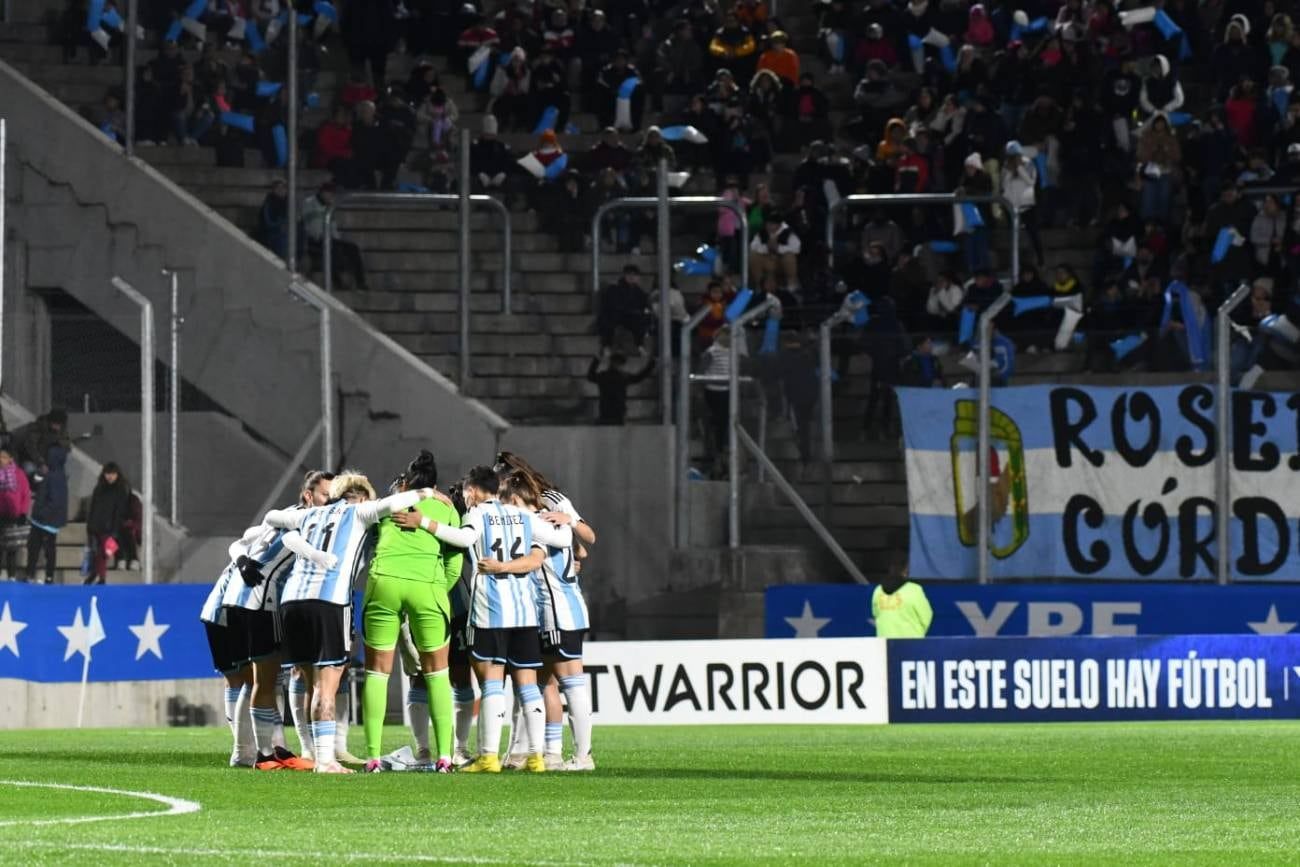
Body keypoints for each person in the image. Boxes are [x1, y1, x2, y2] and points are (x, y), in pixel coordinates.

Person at [263, 471, 445, 773]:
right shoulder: (360, 511)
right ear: (361, 496)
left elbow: (272, 518)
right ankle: (325, 760)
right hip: (328, 602)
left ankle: (313, 752)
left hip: (292, 603)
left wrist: (307, 543)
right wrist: (426, 493)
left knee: (307, 681)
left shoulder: (311, 514)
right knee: (327, 685)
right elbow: (396, 502)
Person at [420, 465, 574, 773]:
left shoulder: (476, 515)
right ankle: (536, 757)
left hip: (490, 612)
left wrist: (424, 521)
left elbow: (463, 539)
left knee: (491, 684)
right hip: (525, 613)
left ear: (473, 491)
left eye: (466, 493)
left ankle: (488, 757)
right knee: (528, 686)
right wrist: (568, 519)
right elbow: (564, 539)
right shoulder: (524, 516)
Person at [198, 469, 334, 769]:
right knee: (257, 678)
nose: (331, 501)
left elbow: (242, 541)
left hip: (239, 600)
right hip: (253, 602)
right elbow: (292, 543)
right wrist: (319, 557)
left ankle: (264, 749)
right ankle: (256, 752)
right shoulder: (300, 522)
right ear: (309, 496)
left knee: (258, 678)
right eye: (326, 494)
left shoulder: (283, 515)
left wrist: (243, 559)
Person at [490, 452, 597, 770]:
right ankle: (541, 753)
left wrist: (571, 522)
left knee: (563, 683)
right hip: (561, 608)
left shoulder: (538, 518)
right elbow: (580, 551)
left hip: (554, 610)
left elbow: (578, 544)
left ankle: (580, 755)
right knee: (540, 682)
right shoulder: (545, 520)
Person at [359, 451, 463, 774]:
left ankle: (374, 757)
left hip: (384, 582)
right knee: (436, 673)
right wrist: (432, 591)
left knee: (377, 671)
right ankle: (445, 757)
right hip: (427, 587)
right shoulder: (446, 508)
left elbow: (368, 537)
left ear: (405, 481)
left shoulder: (389, 505)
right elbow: (455, 564)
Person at [302, 182, 368, 290]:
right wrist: (322, 236)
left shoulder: (330, 205)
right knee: (332, 249)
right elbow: (311, 225)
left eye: (332, 194)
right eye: (328, 193)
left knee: (353, 248)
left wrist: (336, 238)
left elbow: (333, 226)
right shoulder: (310, 203)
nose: (330, 196)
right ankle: (337, 281)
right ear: (323, 192)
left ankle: (361, 282)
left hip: (329, 238)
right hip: (315, 239)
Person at [25, 445, 68, 584]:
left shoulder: (55, 476)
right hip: (50, 520)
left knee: (35, 547)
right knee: (46, 549)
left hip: (44, 520)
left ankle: (32, 575)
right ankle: (47, 576)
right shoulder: (57, 474)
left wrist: (41, 513)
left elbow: (54, 501)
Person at [86, 462, 132, 584]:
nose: (110, 476)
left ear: (117, 474)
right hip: (96, 527)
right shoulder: (99, 488)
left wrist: (115, 530)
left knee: (103, 554)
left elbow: (120, 511)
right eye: (108, 474)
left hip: (111, 529)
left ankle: (100, 578)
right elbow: (93, 508)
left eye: (113, 474)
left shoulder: (121, 489)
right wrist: (90, 526)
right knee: (97, 554)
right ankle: (97, 575)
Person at [588, 348, 655, 424]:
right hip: (614, 415)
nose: (619, 365)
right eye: (619, 363)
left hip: (608, 414)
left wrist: (597, 358)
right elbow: (639, 377)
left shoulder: (606, 376)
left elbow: (590, 376)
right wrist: (652, 364)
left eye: (619, 363)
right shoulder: (622, 377)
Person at [595, 264, 652, 350]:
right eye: (629, 274)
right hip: (616, 315)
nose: (632, 277)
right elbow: (613, 305)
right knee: (609, 319)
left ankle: (640, 345)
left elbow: (644, 306)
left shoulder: (639, 292)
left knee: (642, 319)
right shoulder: (614, 288)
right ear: (624, 275)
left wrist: (641, 311)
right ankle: (606, 345)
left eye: (635, 275)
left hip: (631, 317)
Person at [872, 558, 933, 637]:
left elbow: (876, 614)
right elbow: (926, 615)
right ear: (906, 570)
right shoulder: (914, 590)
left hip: (885, 642)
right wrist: (918, 633)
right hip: (911, 642)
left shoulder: (878, 590)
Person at [0, 448, 31, 581]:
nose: (1, 460)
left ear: (11, 459)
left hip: (14, 514)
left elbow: (26, 494)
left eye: (4, 457)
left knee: (12, 549)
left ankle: (11, 576)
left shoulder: (19, 474)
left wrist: (23, 512)